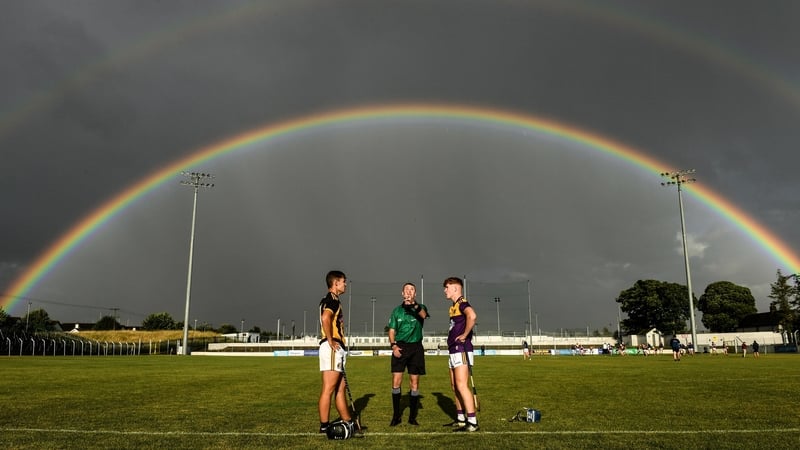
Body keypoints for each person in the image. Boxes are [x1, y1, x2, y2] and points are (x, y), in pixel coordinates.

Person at [387, 282, 429, 426]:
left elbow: (423, 315)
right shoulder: (396, 311)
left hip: (416, 348)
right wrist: (393, 346)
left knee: (414, 383)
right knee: (396, 382)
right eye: (406, 290)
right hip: (400, 348)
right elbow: (391, 331)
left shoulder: (420, 307)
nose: (409, 292)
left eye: (412, 290)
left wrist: (414, 304)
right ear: (402, 293)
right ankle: (396, 416)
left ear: (415, 294)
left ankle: (412, 417)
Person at [317, 270, 354, 434]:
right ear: (336, 283)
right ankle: (324, 425)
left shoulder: (332, 300)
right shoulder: (332, 300)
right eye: (343, 281)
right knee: (329, 389)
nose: (345, 284)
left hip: (337, 348)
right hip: (332, 347)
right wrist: (331, 340)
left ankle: (348, 422)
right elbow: (326, 318)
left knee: (340, 388)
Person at [442, 277, 479, 432]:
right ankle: (461, 419)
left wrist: (464, 334)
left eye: (447, 287)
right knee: (455, 386)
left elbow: (472, 316)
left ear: (455, 288)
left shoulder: (463, 302)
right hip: (453, 350)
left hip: (461, 349)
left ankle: (472, 421)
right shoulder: (454, 306)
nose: (445, 290)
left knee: (462, 385)